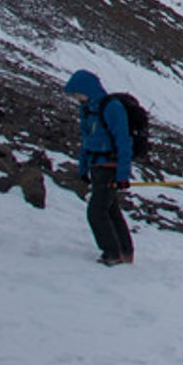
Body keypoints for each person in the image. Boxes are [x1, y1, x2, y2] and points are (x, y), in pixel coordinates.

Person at [63, 69, 135, 265]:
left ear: (87, 89)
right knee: (110, 210)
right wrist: (83, 168)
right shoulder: (87, 109)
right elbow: (87, 141)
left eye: (77, 92)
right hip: (97, 167)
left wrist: (122, 174)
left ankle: (112, 253)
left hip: (109, 167)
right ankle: (124, 252)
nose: (76, 97)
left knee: (96, 212)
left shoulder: (111, 107)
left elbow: (123, 140)